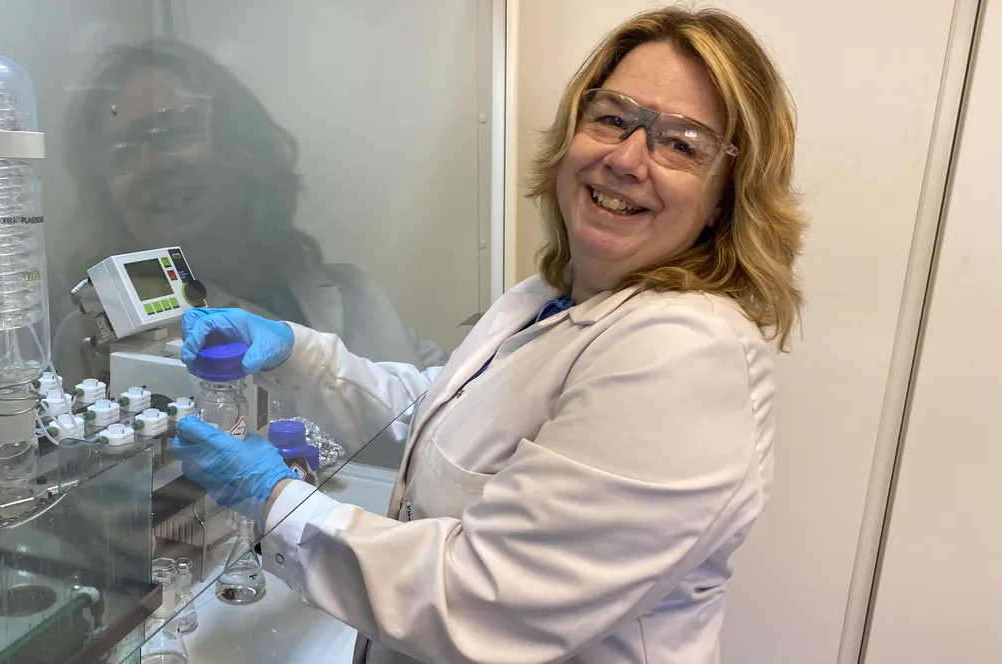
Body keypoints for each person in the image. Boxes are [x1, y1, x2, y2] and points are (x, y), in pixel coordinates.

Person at [172, 7, 803, 664]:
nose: (626, 157)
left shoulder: (684, 353)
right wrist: (297, 354)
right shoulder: (548, 299)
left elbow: (490, 603)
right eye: (612, 117)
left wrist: (273, 500)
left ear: (728, 195)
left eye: (680, 143)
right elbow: (438, 419)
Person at [50, 39, 447, 388]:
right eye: (121, 153)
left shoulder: (355, 294)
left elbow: (450, 400)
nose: (151, 166)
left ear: (242, 144)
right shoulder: (97, 338)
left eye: (173, 132)